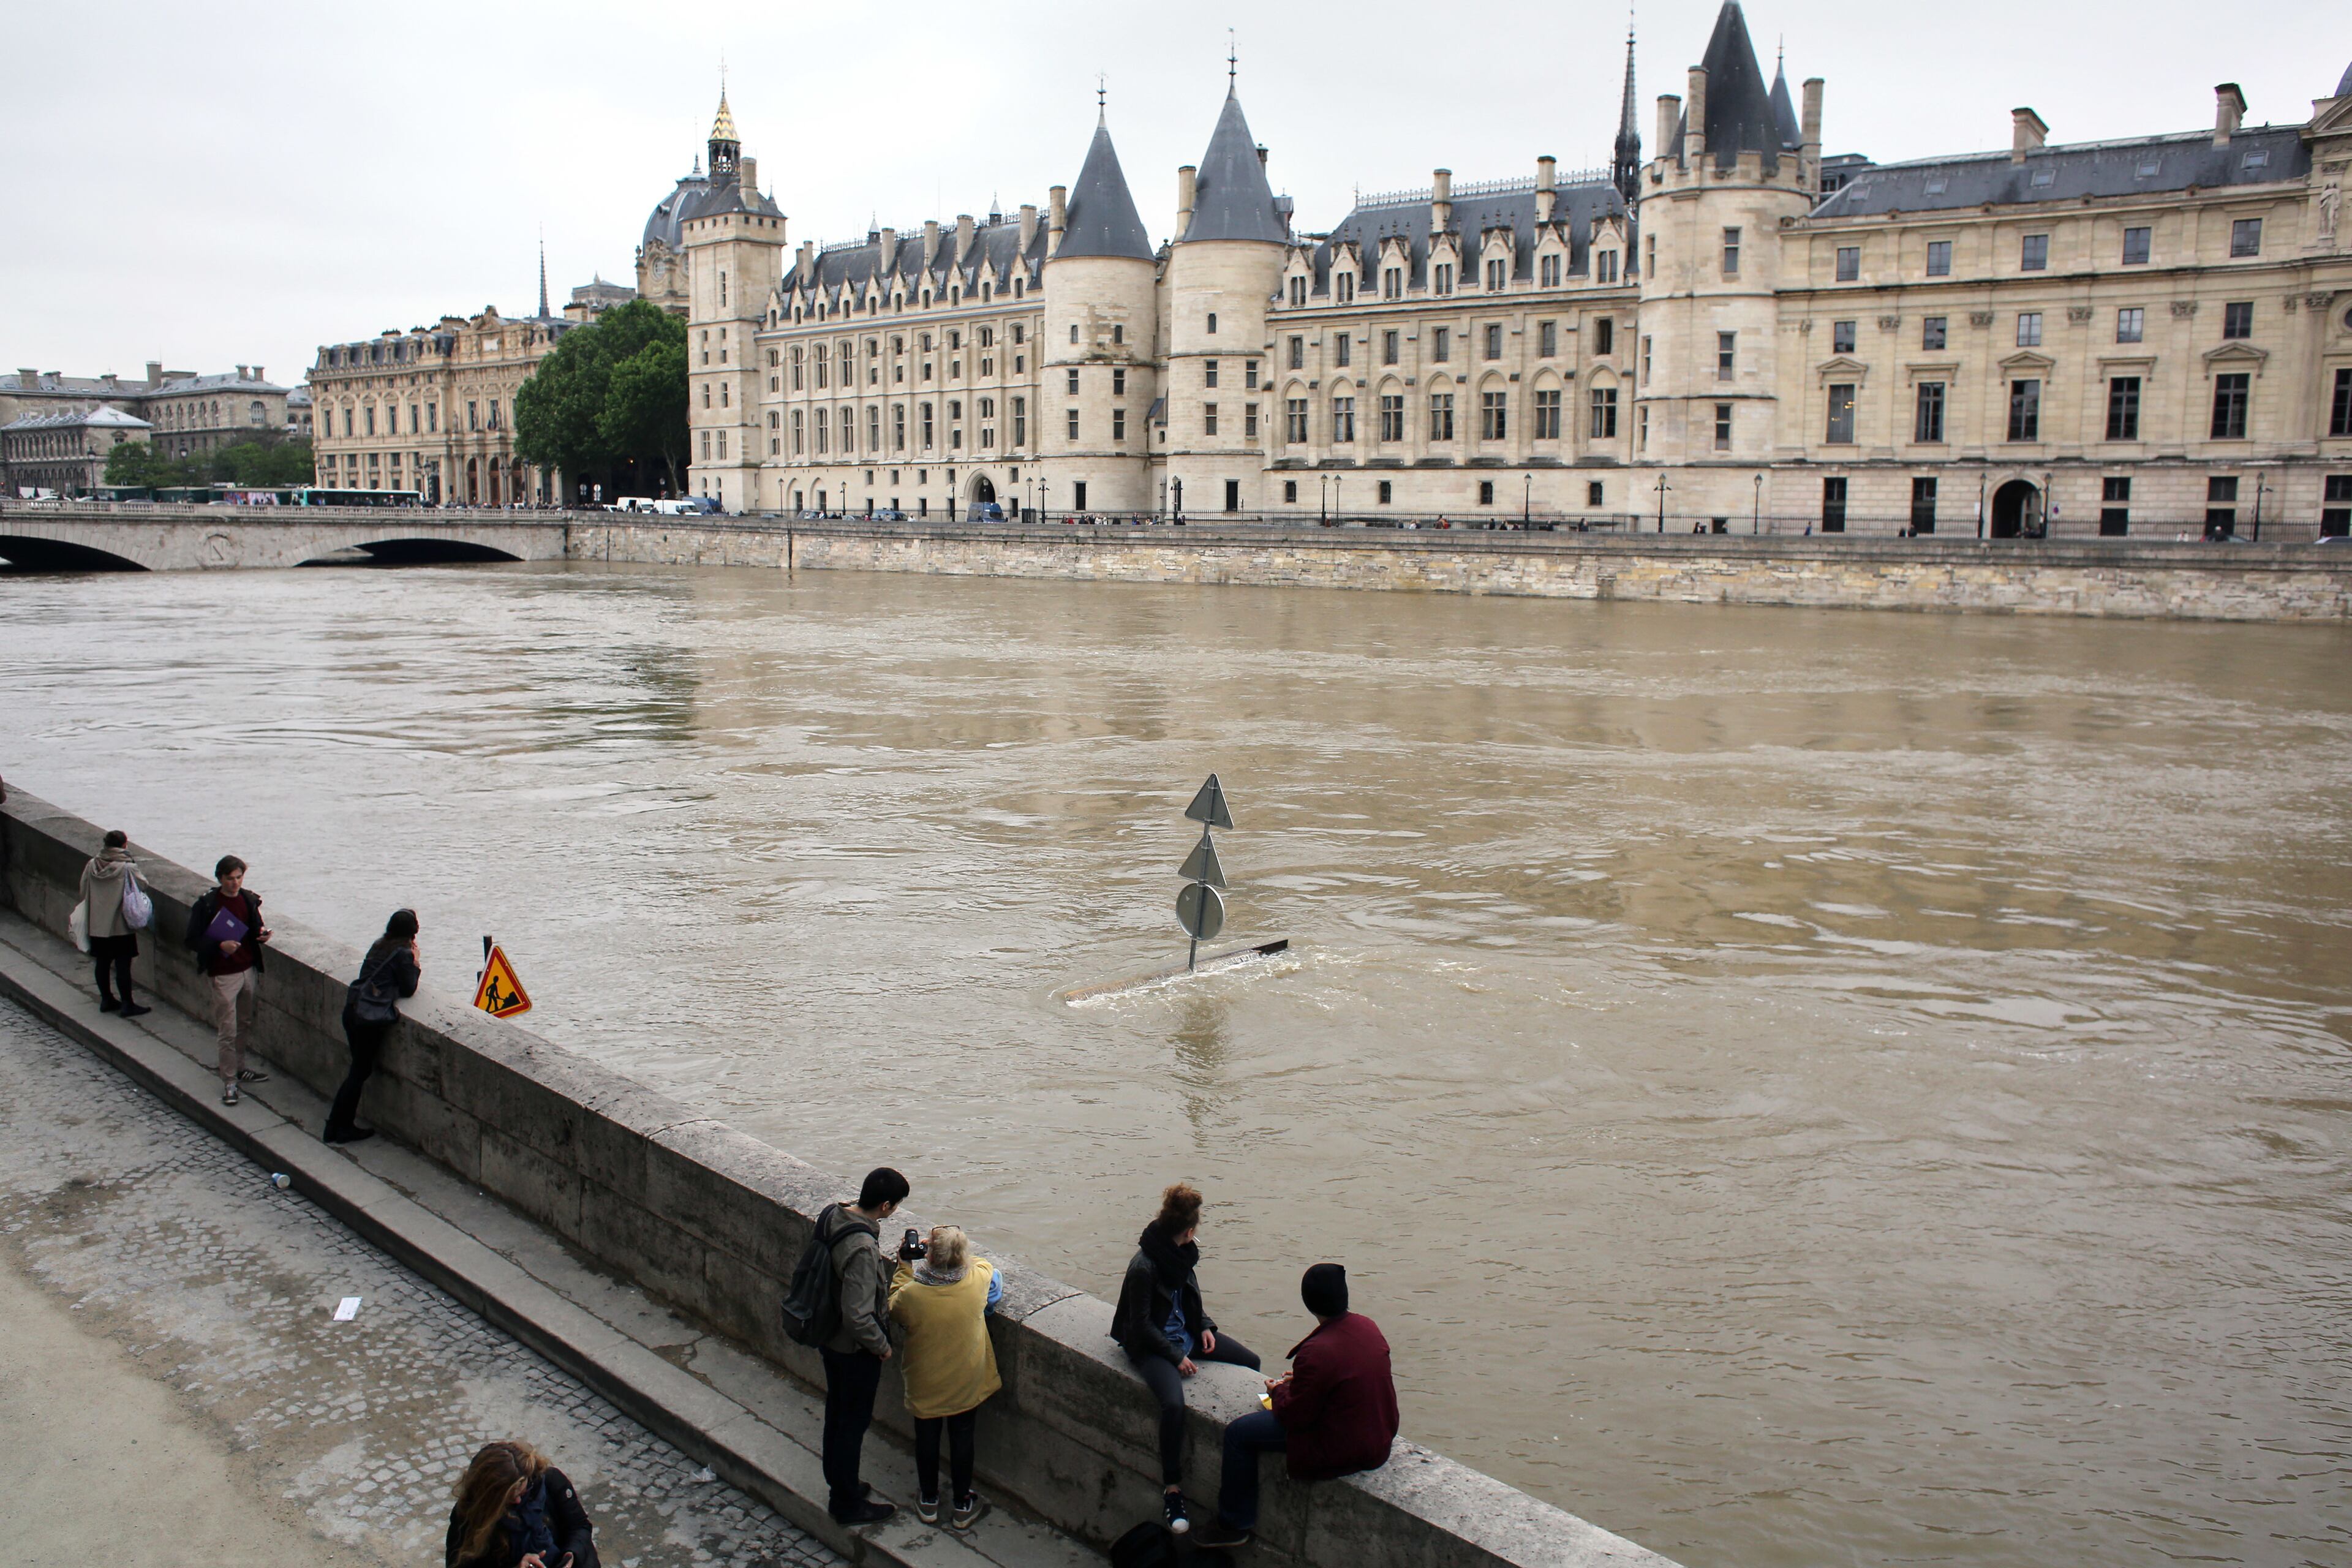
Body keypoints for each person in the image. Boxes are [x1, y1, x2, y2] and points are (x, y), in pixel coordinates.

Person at [1193, 1264, 1400, 1550]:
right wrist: (1303, 1380)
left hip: (1345, 1447)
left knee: (1239, 1435)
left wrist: (1279, 1390)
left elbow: (1294, 1416)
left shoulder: (1315, 1352)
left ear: (1308, 1302)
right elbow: (1342, 1380)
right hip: (1379, 1440)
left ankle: (1234, 1524)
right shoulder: (1368, 1326)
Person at [1110, 1182, 1259, 1534]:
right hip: (1153, 1347)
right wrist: (1176, 1355)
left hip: (1187, 1336)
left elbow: (1190, 1298)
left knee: (1250, 1362)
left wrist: (1205, 1325)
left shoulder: (1181, 1254)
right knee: (1174, 1405)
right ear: (1189, 1230)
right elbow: (1140, 1324)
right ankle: (1173, 1488)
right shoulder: (1144, 1266)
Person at [888, 1223, 1003, 1529]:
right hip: (966, 1376)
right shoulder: (976, 1280)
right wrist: (952, 1251)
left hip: (926, 1378)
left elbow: (894, 1306)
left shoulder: (914, 1294)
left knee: (927, 1437)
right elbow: (984, 1265)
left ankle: (928, 1500)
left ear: (930, 1256)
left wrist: (904, 1265)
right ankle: (963, 1503)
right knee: (963, 1436)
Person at [816, 1166, 910, 1526]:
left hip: (828, 1336)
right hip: (852, 1350)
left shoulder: (833, 1216)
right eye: (897, 1205)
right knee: (852, 1424)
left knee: (836, 1416)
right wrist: (882, 1346)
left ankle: (842, 1482)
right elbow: (858, 1316)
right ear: (886, 1206)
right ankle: (845, 1503)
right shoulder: (863, 1248)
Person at [326, 908, 421, 1145]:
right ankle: (340, 1128)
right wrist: (416, 962)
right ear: (413, 932)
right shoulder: (403, 954)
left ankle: (335, 1127)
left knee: (357, 1071)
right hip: (369, 1020)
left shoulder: (379, 946)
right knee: (358, 1073)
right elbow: (409, 988)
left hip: (353, 1010)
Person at [183, 854, 270, 1105]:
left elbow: (256, 927)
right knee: (228, 1030)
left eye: (239, 878)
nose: (235, 883)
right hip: (223, 973)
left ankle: (240, 1068)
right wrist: (219, 944)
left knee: (244, 1023)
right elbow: (191, 940)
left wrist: (262, 934)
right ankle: (229, 1082)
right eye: (230, 879)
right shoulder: (208, 905)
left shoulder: (248, 899)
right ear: (220, 878)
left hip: (248, 970)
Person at [445, 1439, 598, 1568]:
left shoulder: (552, 1482)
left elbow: (580, 1527)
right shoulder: (467, 1514)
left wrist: (571, 1555)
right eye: (508, 1499)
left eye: (522, 1492)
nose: (518, 1501)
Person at [78, 830, 151, 1019]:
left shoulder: (92, 864)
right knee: (123, 965)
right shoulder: (127, 867)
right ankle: (127, 1004)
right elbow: (143, 885)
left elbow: (82, 890)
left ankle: (106, 999)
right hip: (121, 925)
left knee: (102, 962)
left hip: (97, 924)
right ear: (125, 845)